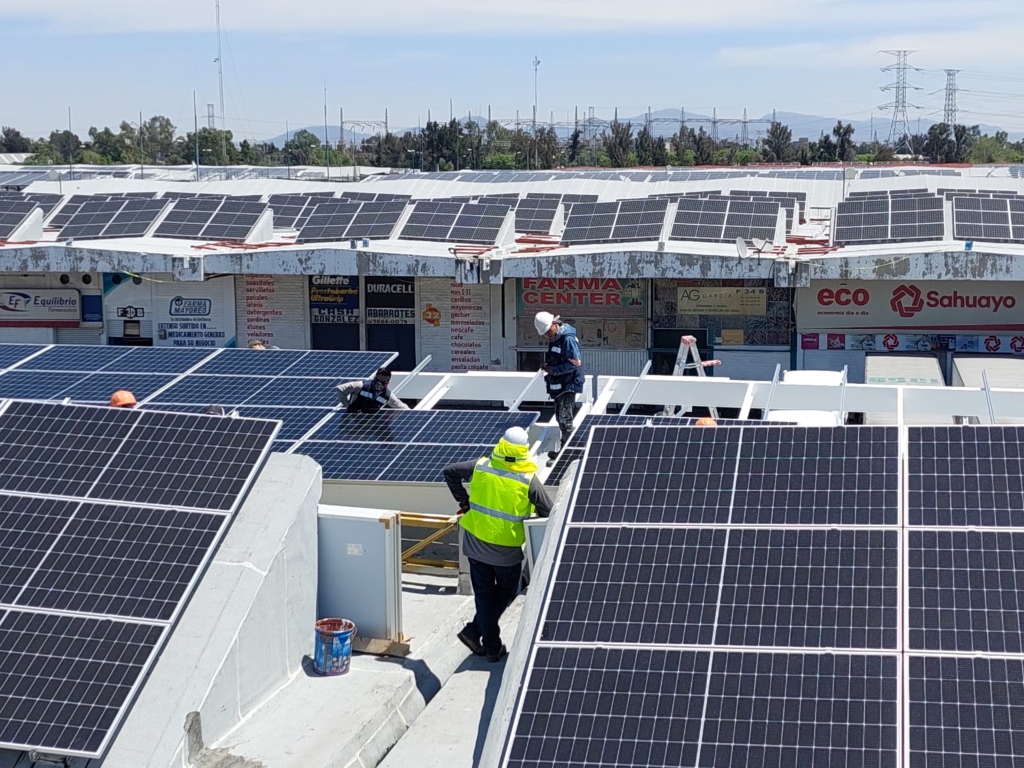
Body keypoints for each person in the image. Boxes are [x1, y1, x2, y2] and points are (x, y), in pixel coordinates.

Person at [443, 427, 553, 662]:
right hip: (506, 552)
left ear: (502, 445)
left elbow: (450, 471)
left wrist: (465, 502)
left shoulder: (481, 466)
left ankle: (480, 637)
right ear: (523, 451)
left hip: (475, 544)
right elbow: (549, 511)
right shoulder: (528, 479)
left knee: (484, 596)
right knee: (507, 592)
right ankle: (486, 641)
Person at [534, 312, 584, 462]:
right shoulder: (555, 338)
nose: (547, 335)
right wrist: (549, 366)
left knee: (565, 419)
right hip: (560, 383)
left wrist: (553, 370)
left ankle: (568, 453)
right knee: (560, 418)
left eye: (548, 331)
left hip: (569, 384)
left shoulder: (567, 339)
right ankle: (566, 450)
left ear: (554, 324)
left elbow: (575, 362)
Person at [336, 367, 410, 413]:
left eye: (383, 381)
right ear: (375, 377)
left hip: (371, 424)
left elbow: (401, 407)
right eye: (378, 379)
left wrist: (414, 414)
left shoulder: (387, 395)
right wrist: (348, 406)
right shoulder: (361, 386)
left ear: (388, 382)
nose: (380, 383)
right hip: (353, 419)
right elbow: (340, 389)